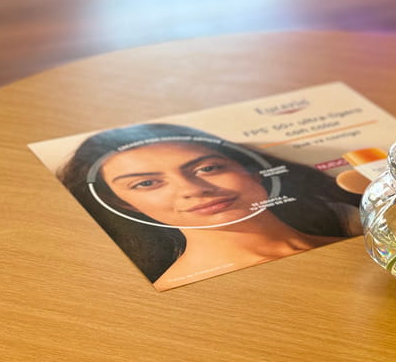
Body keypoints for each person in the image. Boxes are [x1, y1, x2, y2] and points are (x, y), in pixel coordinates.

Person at [57, 122, 362, 289]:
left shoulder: (366, 235)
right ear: (124, 203)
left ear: (253, 171)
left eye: (208, 168)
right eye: (146, 183)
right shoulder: (169, 291)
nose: (193, 189)